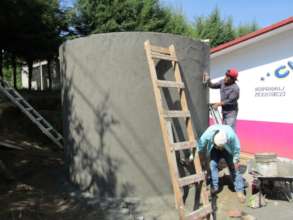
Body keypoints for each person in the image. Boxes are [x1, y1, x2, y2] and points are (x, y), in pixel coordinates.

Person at [197, 124, 245, 203]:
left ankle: (240, 190)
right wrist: (193, 156)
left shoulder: (231, 135)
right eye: (218, 146)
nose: (220, 149)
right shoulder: (208, 133)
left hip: (227, 148)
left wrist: (236, 160)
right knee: (213, 165)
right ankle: (215, 187)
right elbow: (200, 145)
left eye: (220, 147)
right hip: (214, 148)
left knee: (233, 167)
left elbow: (236, 148)